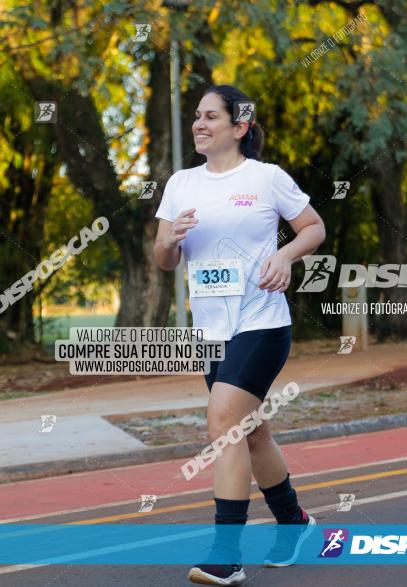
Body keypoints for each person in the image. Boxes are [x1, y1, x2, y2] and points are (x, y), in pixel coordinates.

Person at [153, 85, 326, 586]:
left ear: (240, 126)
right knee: (252, 432)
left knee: (224, 421)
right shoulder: (181, 184)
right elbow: (165, 261)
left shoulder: (267, 178)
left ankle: (226, 555)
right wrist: (167, 240)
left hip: (261, 323)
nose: (199, 124)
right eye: (197, 117)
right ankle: (294, 524)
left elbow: (312, 226)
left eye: (211, 117)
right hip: (210, 331)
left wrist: (284, 256)